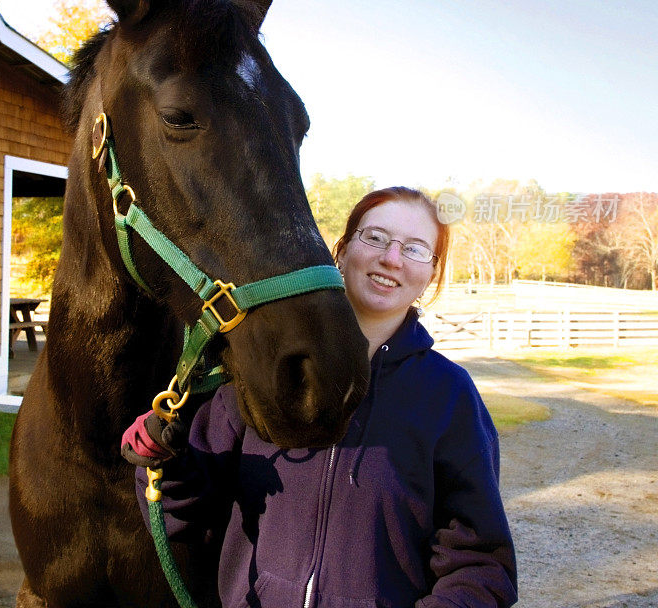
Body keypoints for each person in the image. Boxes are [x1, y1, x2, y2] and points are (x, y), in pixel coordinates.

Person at [124, 187, 518, 608]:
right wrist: (167, 461)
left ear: (431, 273)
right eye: (376, 238)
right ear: (342, 251)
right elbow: (177, 517)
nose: (392, 259)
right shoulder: (264, 365)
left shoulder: (449, 396)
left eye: (416, 249)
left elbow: (479, 566)